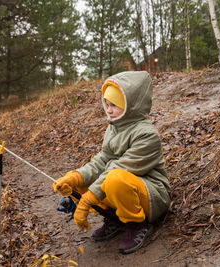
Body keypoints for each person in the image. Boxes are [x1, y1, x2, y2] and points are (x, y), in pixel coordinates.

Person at [53, 71, 171, 254]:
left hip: (151, 194)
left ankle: (138, 224)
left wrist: (88, 199)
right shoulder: (114, 127)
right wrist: (76, 177)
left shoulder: (147, 134)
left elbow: (121, 167)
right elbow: (102, 160)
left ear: (132, 104)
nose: (108, 110)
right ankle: (116, 219)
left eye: (115, 105)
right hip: (120, 185)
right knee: (81, 182)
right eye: (107, 104)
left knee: (115, 179)